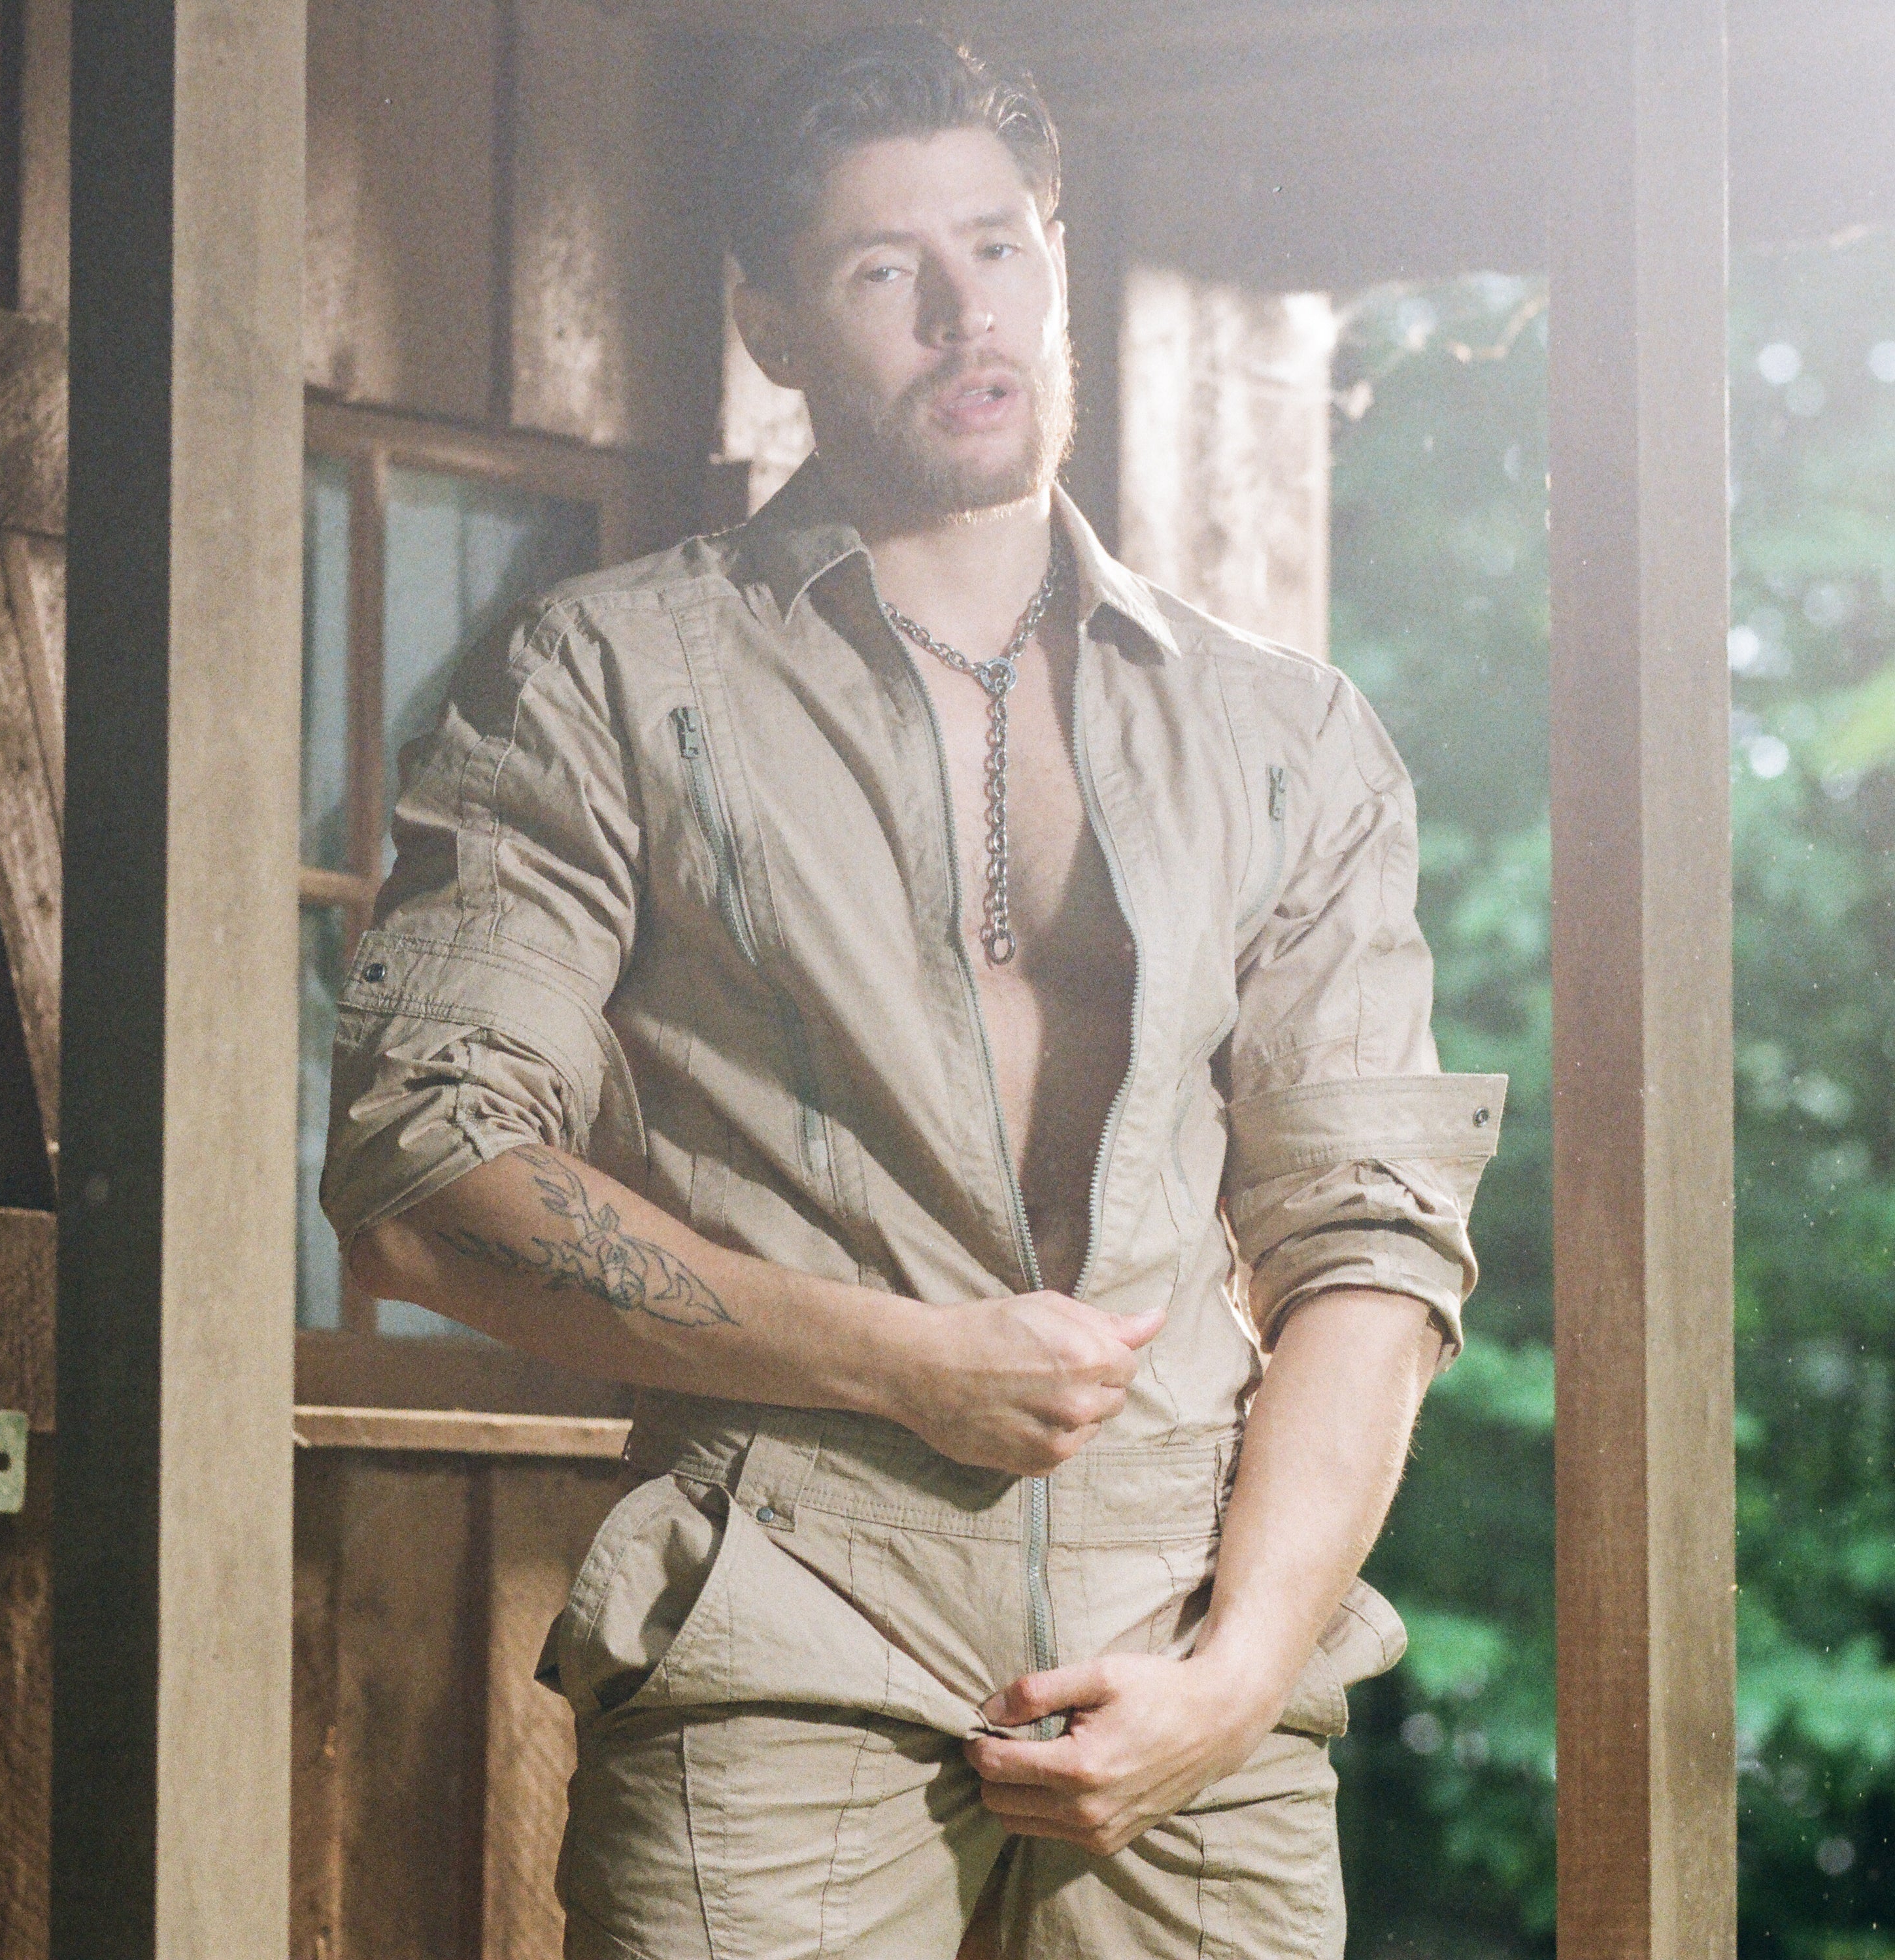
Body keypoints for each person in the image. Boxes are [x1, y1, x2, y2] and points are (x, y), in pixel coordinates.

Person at [322, 25, 1503, 1959]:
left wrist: (1237, 1676)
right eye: (887, 270)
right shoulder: (603, 680)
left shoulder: (1287, 736)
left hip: (1190, 1641)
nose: (969, 316)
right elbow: (420, 1173)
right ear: (772, 323)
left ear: (1054, 255)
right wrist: (901, 1363)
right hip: (785, 1613)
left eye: (1000, 247)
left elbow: (1367, 1243)